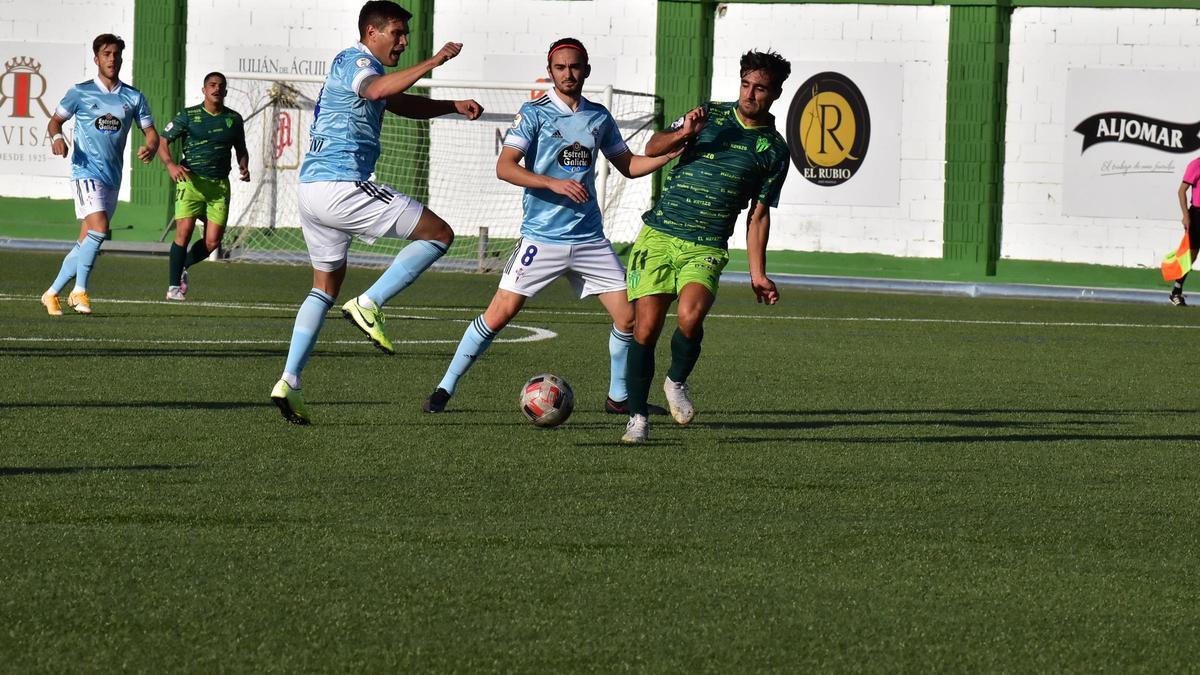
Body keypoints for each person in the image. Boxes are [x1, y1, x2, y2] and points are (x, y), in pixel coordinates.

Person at [422, 38, 675, 415]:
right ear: (550, 71)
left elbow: (629, 165)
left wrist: (672, 153)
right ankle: (444, 388)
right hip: (542, 239)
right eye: (560, 67)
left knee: (629, 317)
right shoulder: (534, 113)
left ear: (586, 70)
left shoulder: (599, 117)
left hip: (589, 238)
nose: (568, 73)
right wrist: (552, 182)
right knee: (498, 314)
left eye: (575, 67)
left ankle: (618, 398)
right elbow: (505, 167)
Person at [270, 0, 483, 424]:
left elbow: (395, 102)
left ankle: (289, 381)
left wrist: (449, 105)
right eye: (397, 34)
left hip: (312, 192)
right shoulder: (355, 61)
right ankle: (370, 303)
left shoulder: (370, 70)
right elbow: (377, 91)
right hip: (342, 185)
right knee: (438, 234)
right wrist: (436, 59)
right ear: (372, 33)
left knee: (325, 288)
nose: (403, 42)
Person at [619, 49, 792, 444]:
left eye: (760, 88)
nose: (750, 95)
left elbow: (759, 215)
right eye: (746, 85)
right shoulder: (709, 114)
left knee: (690, 319)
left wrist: (757, 273)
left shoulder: (774, 151)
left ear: (776, 93)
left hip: (706, 244)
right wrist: (684, 134)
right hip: (661, 235)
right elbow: (651, 147)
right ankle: (638, 417)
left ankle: (676, 380)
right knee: (645, 328)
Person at [39, 33, 159, 316]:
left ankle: (51, 292)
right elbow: (55, 122)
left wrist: (151, 147)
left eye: (116, 54)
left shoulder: (133, 96)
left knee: (86, 241)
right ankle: (79, 290)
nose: (112, 59)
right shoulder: (80, 92)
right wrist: (57, 138)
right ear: (96, 59)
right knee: (100, 229)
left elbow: (150, 133)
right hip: (85, 172)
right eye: (106, 53)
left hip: (111, 178)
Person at [156, 72, 249, 301]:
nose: (216, 89)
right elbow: (162, 141)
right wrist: (170, 166)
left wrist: (244, 166)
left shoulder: (234, 119)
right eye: (212, 85)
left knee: (212, 242)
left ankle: (183, 267)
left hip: (218, 188)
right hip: (190, 183)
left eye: (221, 86)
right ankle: (173, 287)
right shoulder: (188, 116)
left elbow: (241, 148)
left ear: (225, 92)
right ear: (204, 90)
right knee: (184, 232)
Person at [1171, 156, 1200, 306]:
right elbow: (1181, 190)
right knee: (1191, 256)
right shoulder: (1196, 164)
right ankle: (1176, 292)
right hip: (1197, 216)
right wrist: (1186, 216)